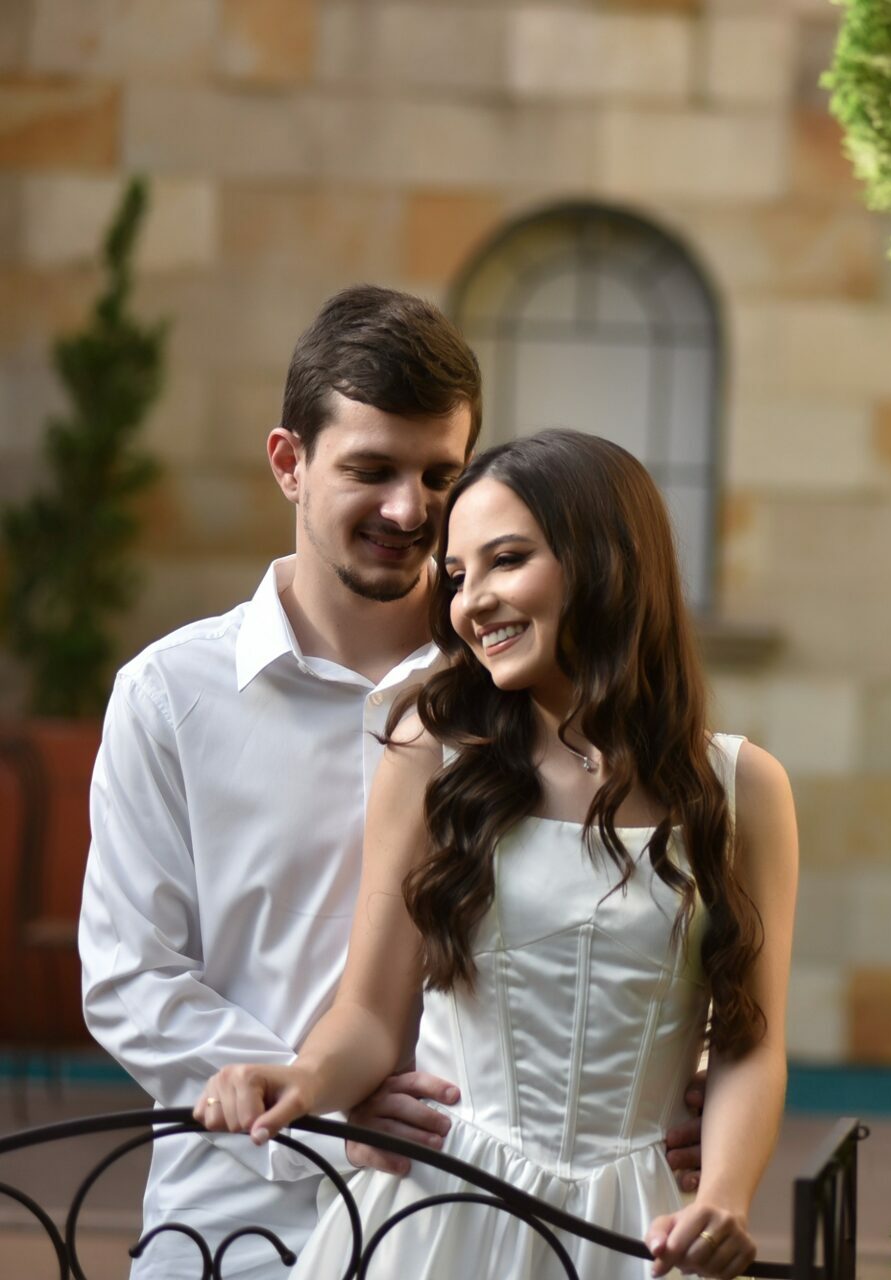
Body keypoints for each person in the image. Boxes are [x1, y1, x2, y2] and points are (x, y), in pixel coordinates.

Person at [78, 289, 705, 1280]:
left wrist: (678, 1076)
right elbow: (132, 979)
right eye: (371, 470)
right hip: (230, 1218)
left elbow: (623, 903)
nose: (410, 510)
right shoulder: (168, 695)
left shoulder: (523, 689)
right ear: (289, 462)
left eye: (439, 476)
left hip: (467, 1219)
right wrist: (326, 1105)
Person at [193, 430, 799, 1280]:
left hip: (640, 1231)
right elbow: (368, 1017)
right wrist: (299, 1079)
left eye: (506, 561)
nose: (471, 602)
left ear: (607, 561)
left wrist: (723, 1199)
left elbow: (749, 1042)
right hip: (444, 1214)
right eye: (455, 575)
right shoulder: (431, 754)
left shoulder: (744, 789)